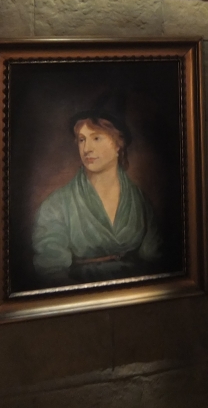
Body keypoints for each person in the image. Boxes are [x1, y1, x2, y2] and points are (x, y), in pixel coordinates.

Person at [32, 110, 162, 286]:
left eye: (96, 138)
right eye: (81, 140)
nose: (87, 149)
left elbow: (155, 258)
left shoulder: (140, 201)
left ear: (118, 144)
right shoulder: (56, 205)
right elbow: (51, 271)